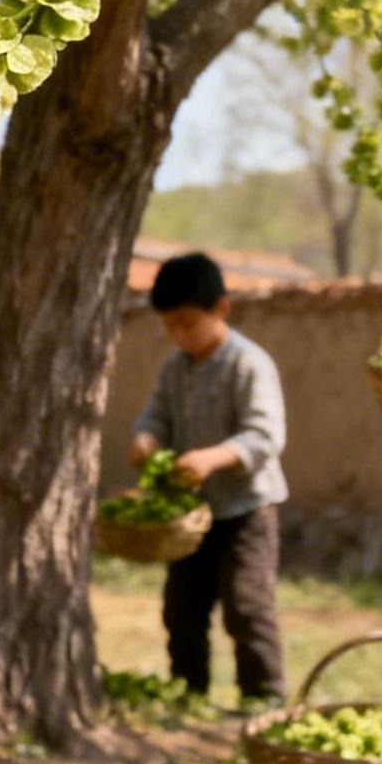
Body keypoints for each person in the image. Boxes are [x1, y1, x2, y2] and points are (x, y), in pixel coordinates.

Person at [129, 250, 288, 708]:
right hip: (191, 518)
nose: (179, 335)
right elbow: (154, 418)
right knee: (182, 610)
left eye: (188, 324)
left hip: (246, 513)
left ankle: (263, 698)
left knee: (247, 607)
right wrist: (146, 439)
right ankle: (189, 692)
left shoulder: (248, 364)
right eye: (170, 326)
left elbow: (264, 435)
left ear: (222, 308)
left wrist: (214, 458)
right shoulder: (173, 369)